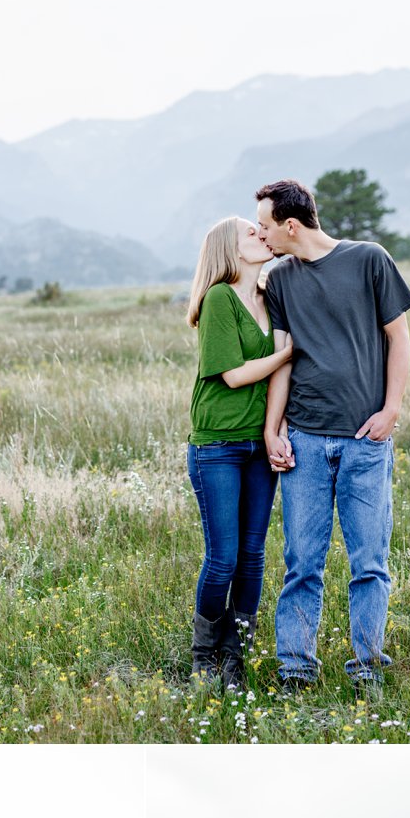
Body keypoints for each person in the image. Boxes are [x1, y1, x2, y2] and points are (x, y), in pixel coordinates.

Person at [256, 178, 410, 693]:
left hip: (365, 440)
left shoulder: (369, 259)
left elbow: (399, 339)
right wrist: (272, 429)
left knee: (369, 562)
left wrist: (391, 409)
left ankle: (367, 666)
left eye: (265, 227)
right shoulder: (279, 280)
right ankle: (296, 669)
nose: (262, 236)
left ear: (291, 225)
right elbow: (283, 360)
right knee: (302, 562)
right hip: (304, 440)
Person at [186, 214, 294, 685]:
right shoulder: (218, 299)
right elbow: (233, 375)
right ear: (230, 248)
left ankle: (236, 654)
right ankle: (203, 653)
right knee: (223, 556)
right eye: (251, 231)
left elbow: (279, 379)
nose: (262, 233)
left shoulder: (270, 298)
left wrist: (277, 428)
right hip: (218, 444)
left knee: (253, 554)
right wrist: (289, 352)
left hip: (258, 441)